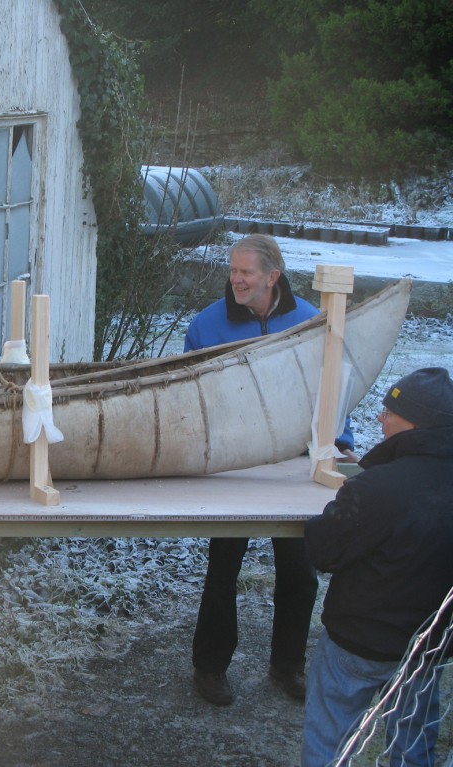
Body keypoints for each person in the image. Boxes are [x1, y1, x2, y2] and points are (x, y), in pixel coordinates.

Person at [187, 234, 357, 706]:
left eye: (247, 272)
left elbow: (334, 387)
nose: (236, 279)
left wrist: (339, 442)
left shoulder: (310, 321)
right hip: (233, 466)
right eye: (233, 270)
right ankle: (210, 667)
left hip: (297, 466)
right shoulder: (206, 325)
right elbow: (192, 398)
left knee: (300, 572)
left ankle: (287, 667)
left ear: (272, 277)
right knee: (224, 567)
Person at [301, 367, 453, 767]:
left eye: (388, 412)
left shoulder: (377, 489)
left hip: (358, 644)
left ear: (416, 422)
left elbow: (323, 549)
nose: (380, 419)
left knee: (330, 744)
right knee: (411, 749)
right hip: (427, 647)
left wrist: (352, 497)